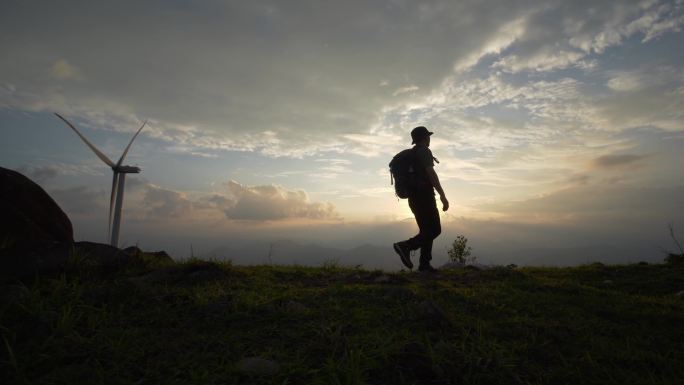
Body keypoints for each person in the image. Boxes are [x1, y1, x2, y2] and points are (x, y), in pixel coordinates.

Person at [393, 126, 449, 272]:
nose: (430, 139)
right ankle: (406, 246)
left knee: (426, 230)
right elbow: (431, 173)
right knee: (435, 229)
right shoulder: (424, 151)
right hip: (424, 196)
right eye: (428, 136)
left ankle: (424, 265)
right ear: (425, 138)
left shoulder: (412, 154)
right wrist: (443, 195)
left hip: (413, 198)